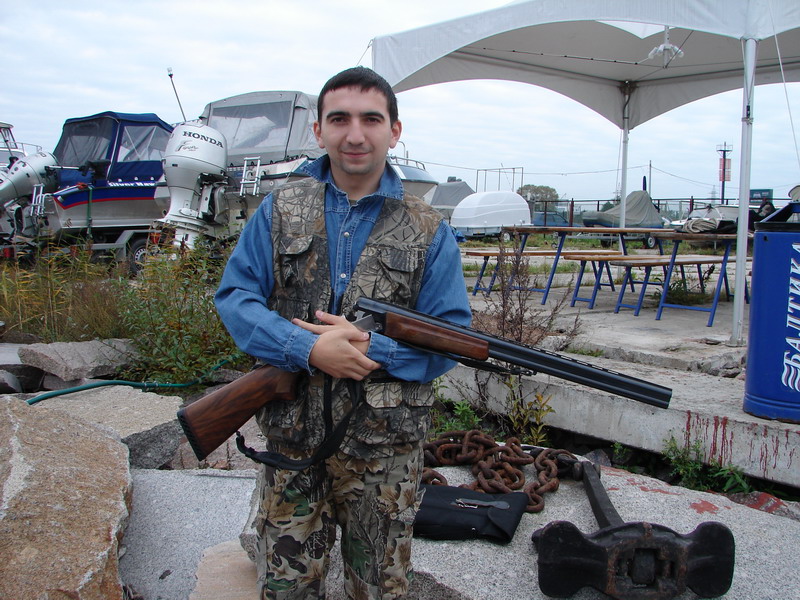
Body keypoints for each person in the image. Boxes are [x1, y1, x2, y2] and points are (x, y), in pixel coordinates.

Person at [214, 66, 471, 599]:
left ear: (394, 131)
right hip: (292, 444)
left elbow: (450, 335)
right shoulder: (279, 210)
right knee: (286, 587)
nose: (355, 134)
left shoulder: (430, 229)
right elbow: (236, 298)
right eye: (339, 119)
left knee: (378, 590)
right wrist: (308, 348)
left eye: (371, 119)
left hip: (384, 454)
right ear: (319, 130)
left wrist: (376, 350)